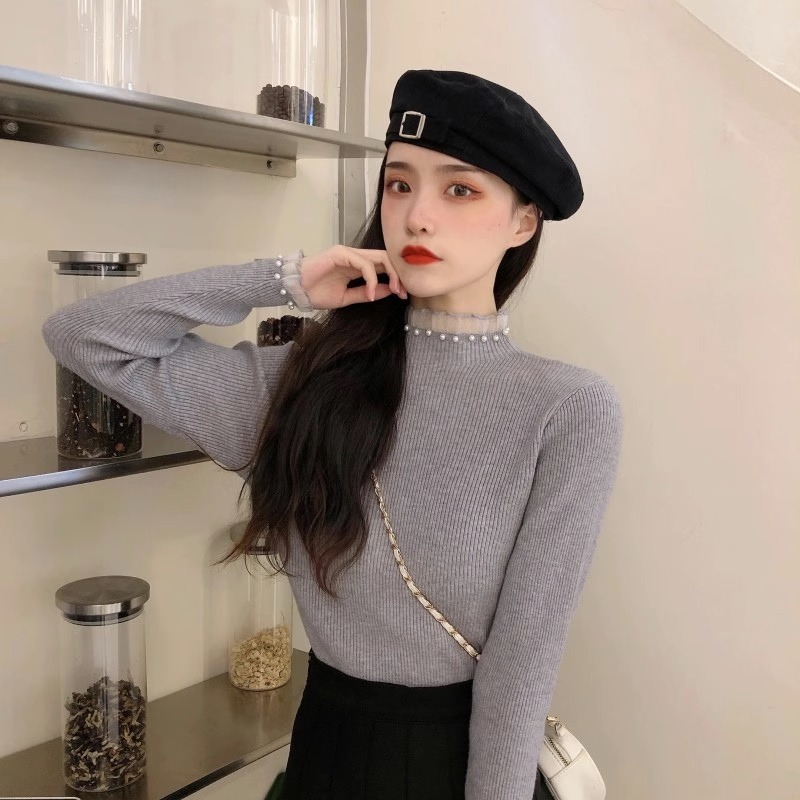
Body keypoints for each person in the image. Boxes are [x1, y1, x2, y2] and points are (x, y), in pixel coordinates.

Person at [42, 69, 624, 800]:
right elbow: (83, 335)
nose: (416, 217)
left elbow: (523, 667)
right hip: (324, 755)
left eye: (460, 190)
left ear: (523, 222)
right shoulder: (303, 383)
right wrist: (284, 280)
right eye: (399, 184)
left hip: (465, 769)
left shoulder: (566, 409)